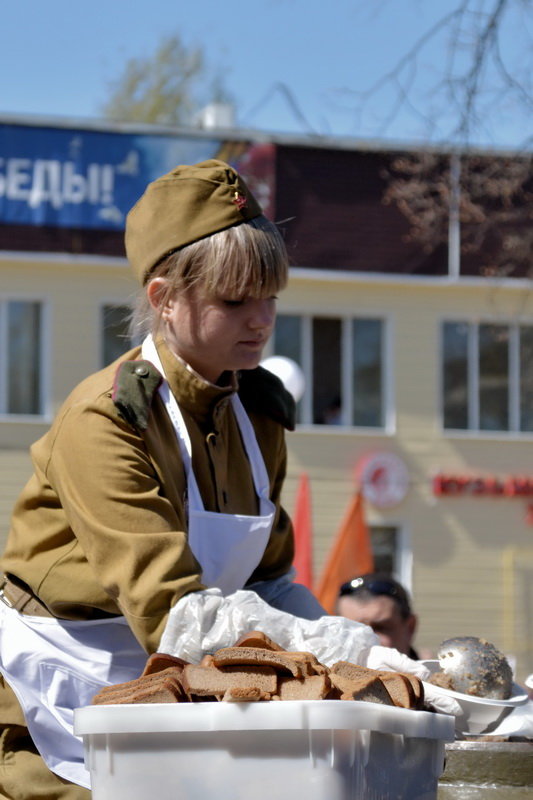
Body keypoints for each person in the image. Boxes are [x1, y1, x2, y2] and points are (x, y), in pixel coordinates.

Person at [0, 160, 455, 798]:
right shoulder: (104, 421)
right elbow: (175, 615)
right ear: (164, 299)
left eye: (271, 296)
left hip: (182, 694)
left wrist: (366, 662)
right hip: (60, 698)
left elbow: (271, 581)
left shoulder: (258, 415)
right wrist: (337, 646)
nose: (262, 319)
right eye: (235, 300)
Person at [337, 573, 419, 659]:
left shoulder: (429, 671)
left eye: (379, 628)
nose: (366, 642)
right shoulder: (325, 670)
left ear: (410, 628)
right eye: (352, 630)